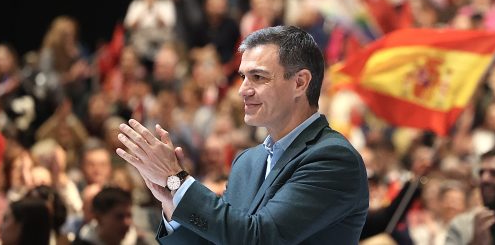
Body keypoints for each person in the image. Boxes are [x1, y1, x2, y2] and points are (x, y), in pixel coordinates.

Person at [116, 26, 369, 244]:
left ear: (300, 83)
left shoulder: (332, 158)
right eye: (243, 77)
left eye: (258, 77)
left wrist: (177, 180)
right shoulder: (246, 162)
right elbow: (220, 239)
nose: (243, 90)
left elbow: (260, 238)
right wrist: (172, 201)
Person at [72, 186, 145, 245]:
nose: (127, 223)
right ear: (99, 218)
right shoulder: (81, 242)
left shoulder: (138, 242)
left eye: (129, 216)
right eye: (119, 217)